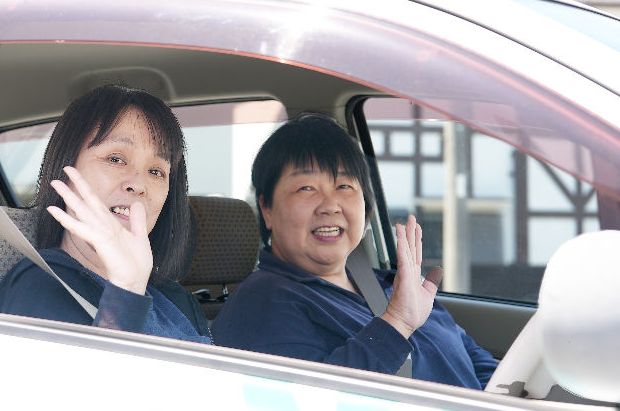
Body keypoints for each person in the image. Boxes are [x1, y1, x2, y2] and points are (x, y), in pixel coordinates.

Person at [211, 113, 497, 388]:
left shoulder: (392, 286)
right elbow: (313, 405)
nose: (330, 205)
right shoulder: (261, 304)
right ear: (267, 209)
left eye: (344, 185)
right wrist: (397, 323)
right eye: (306, 188)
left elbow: (480, 370)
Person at [0, 85, 210, 344]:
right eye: (115, 159)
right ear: (66, 168)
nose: (138, 184)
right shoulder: (37, 287)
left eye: (156, 172)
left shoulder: (176, 299)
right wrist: (127, 291)